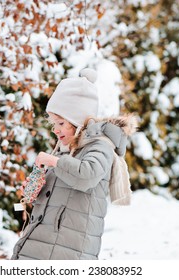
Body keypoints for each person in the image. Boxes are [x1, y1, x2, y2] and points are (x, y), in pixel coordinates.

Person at [11, 68, 138, 260]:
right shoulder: (66, 150)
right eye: (54, 124)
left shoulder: (100, 147)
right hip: (47, 244)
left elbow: (86, 176)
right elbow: (63, 195)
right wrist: (37, 192)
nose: (55, 129)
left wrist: (53, 161)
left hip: (68, 249)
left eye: (61, 123)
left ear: (77, 122)